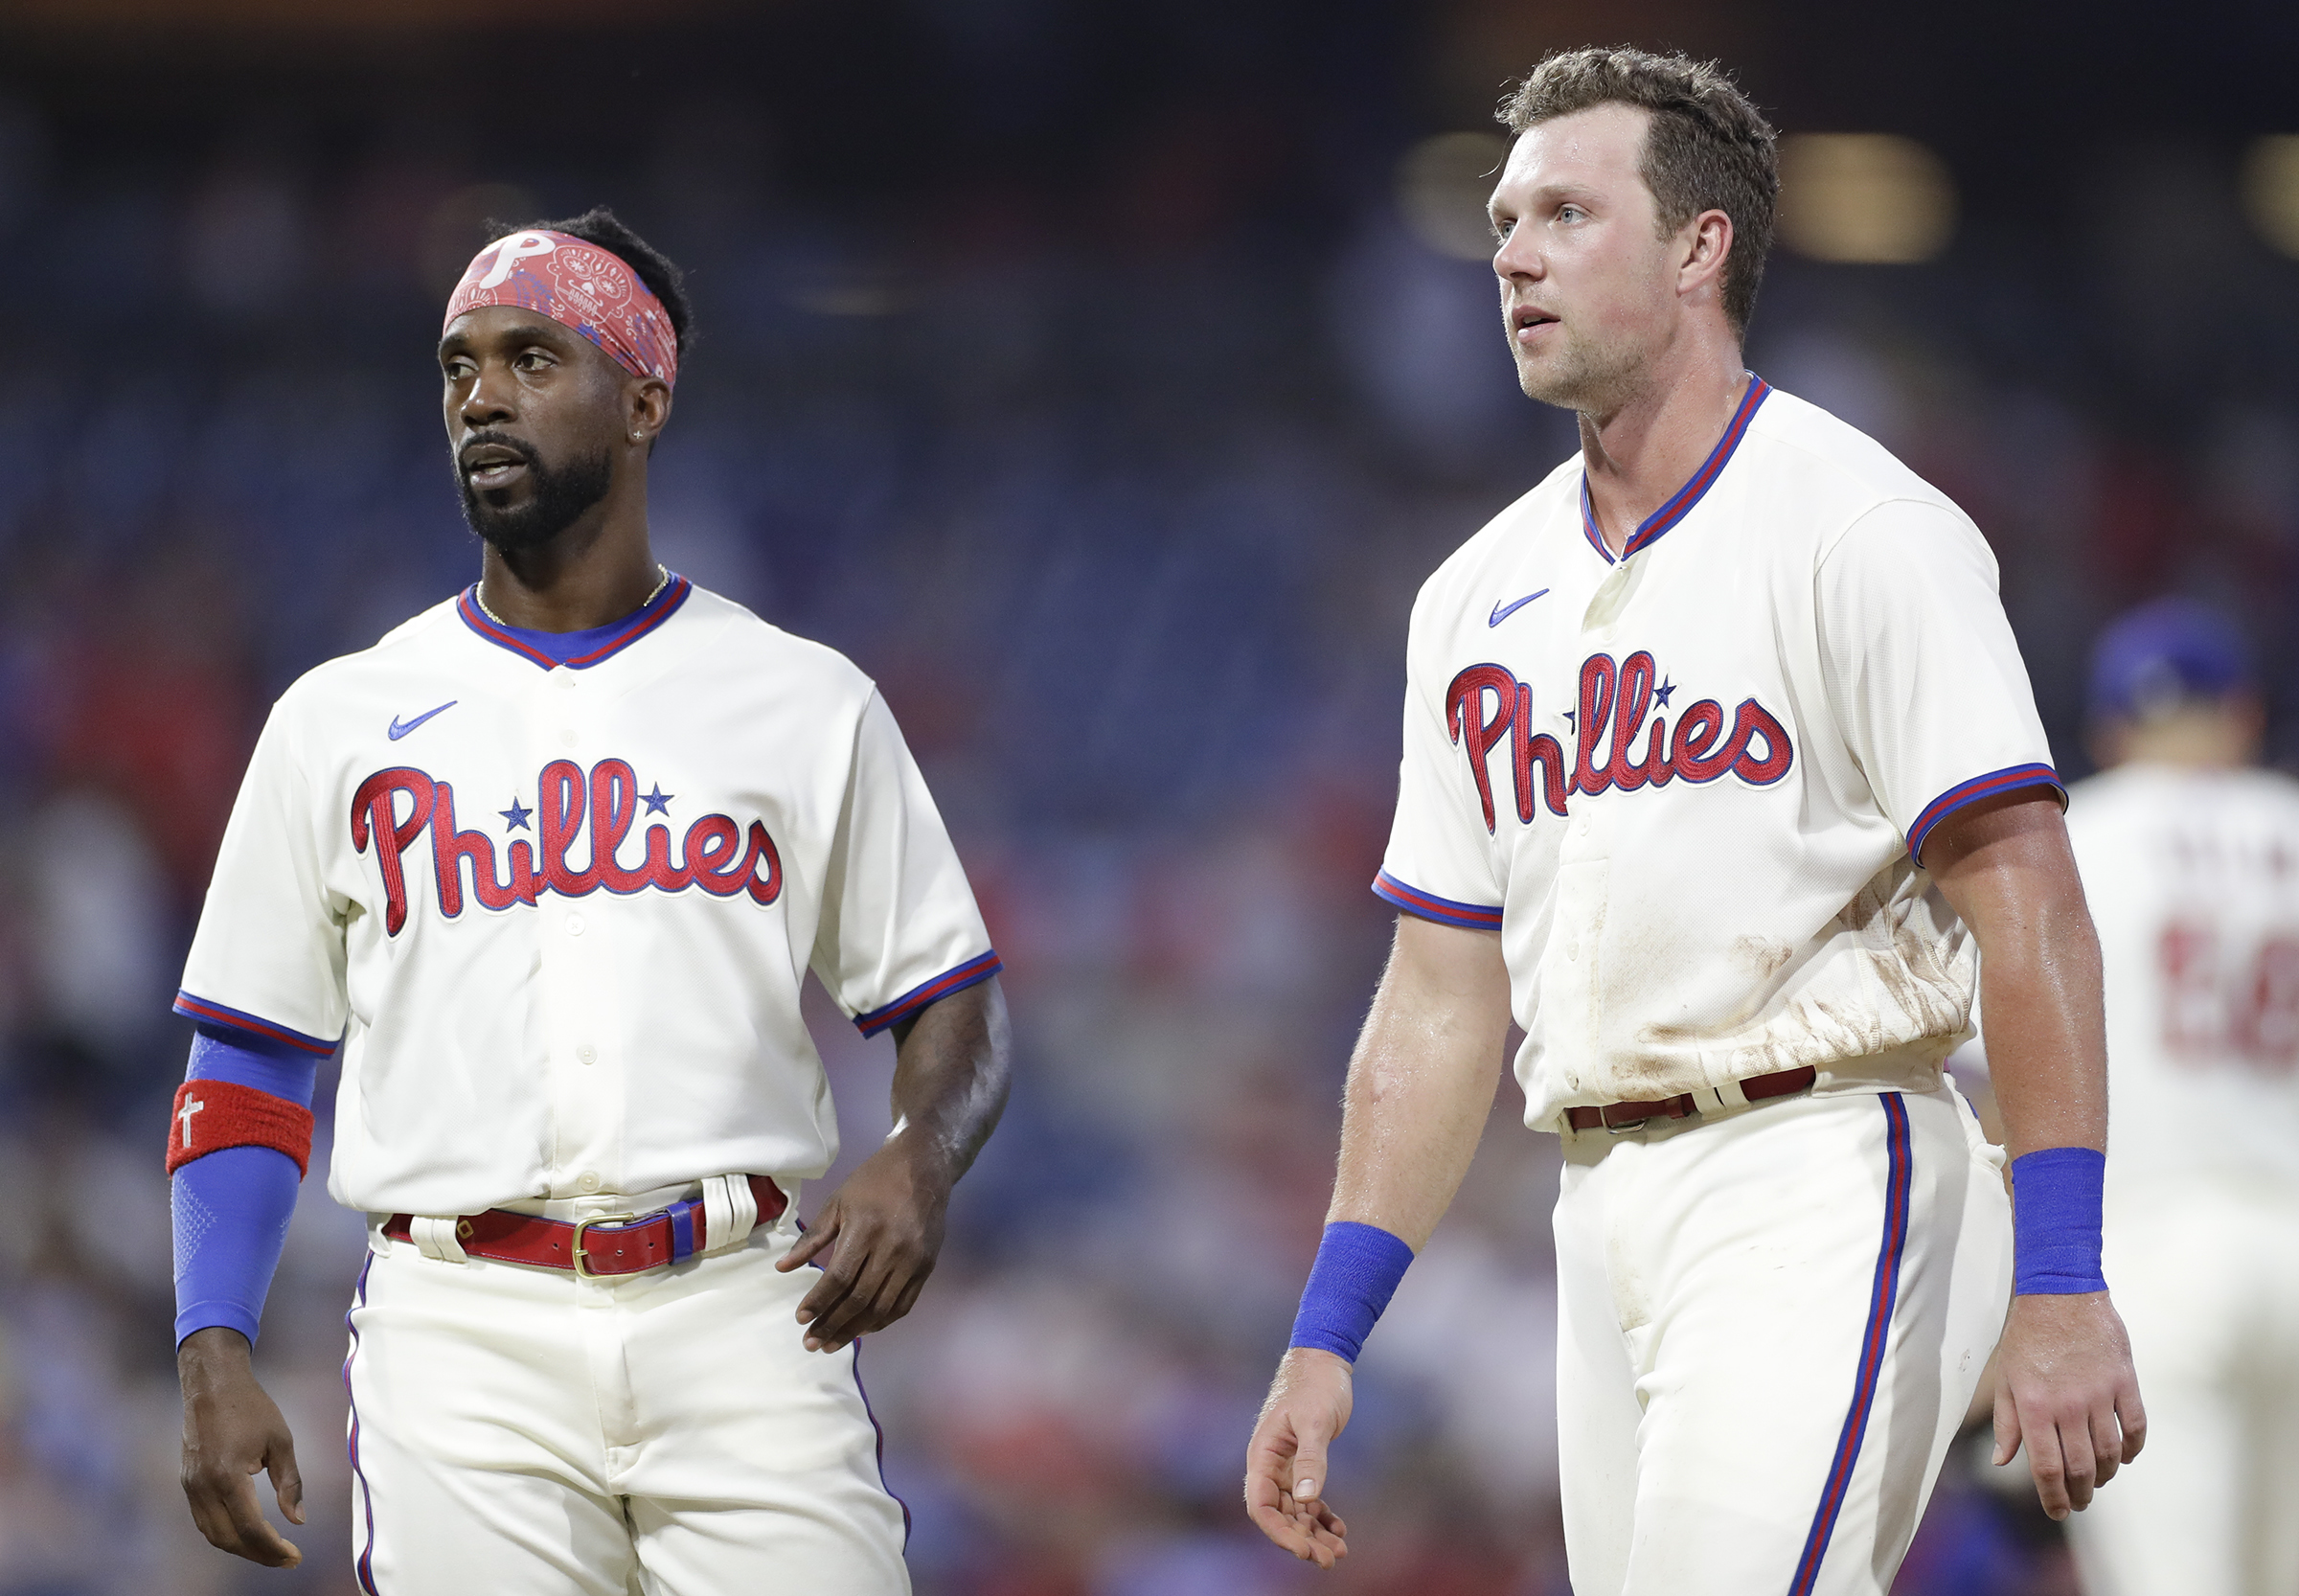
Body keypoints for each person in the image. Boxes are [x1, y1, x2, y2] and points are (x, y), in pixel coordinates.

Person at [1241, 47, 2143, 1594]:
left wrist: (2061, 1279)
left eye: (1567, 214)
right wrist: (1328, 1332)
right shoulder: (1472, 599)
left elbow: (2027, 899)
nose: (1512, 253)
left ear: (1699, 245)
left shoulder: (1861, 528)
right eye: (1506, 218)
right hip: (1598, 1217)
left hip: (1823, 1163)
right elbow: (1441, 996)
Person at [169, 208, 1011, 1594]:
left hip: (742, 1309)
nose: (481, 395)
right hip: (462, 1331)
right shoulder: (343, 717)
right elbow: (251, 1059)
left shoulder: (799, 696)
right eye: (456, 366)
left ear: (643, 398)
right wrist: (214, 1344)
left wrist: (919, 1154)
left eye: (530, 358)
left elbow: (948, 996)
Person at [2052, 600, 2299, 1596]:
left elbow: (1989, 1079)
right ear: (2242, 715)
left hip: (2147, 1250)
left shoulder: (2075, 837)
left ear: (2111, 732)